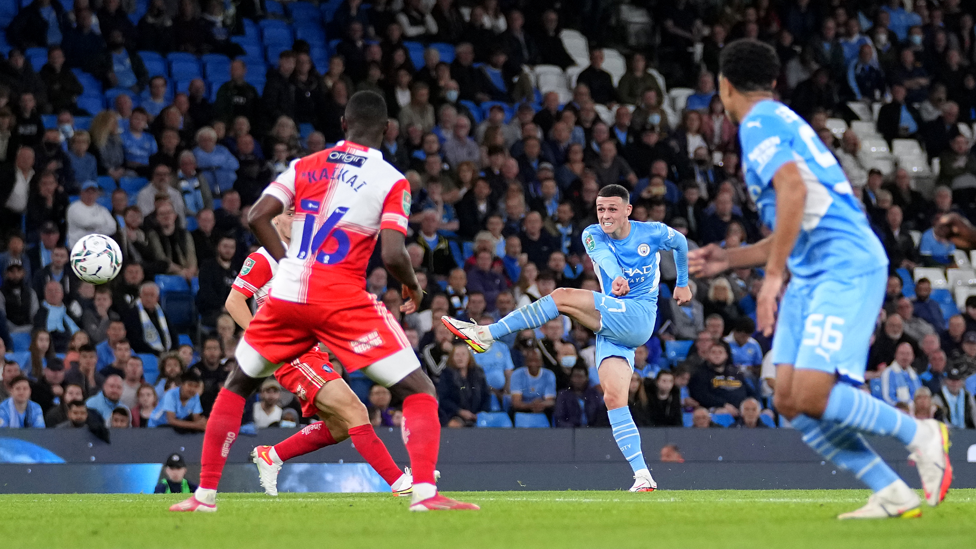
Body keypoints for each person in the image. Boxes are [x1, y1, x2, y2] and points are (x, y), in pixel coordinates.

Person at [171, 91, 476, 512]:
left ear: (342, 124)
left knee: (237, 385)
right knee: (418, 388)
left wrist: (289, 261)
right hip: (340, 295)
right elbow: (391, 254)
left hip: (288, 297)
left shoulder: (302, 166)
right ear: (387, 130)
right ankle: (423, 493)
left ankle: (203, 497)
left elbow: (256, 215)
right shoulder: (391, 180)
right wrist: (412, 286)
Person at [689, 39, 950, 519]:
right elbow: (796, 218)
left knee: (812, 391)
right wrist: (729, 259)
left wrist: (769, 280)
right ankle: (891, 491)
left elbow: (790, 191)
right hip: (814, 270)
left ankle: (921, 434)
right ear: (771, 81)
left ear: (724, 87)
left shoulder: (759, 122)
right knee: (788, 398)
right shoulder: (783, 120)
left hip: (844, 265)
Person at [445, 183, 692, 492]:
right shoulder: (592, 234)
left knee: (561, 296)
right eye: (601, 209)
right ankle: (643, 476)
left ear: (628, 210)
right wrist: (615, 276)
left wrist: (682, 283)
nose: (605, 215)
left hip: (639, 314)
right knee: (614, 399)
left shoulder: (652, 232)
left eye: (613, 209)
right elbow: (604, 257)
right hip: (614, 323)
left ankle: (486, 333)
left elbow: (681, 242)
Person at [225, 204, 414, 496]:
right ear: (274, 221)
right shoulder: (263, 258)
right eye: (288, 213)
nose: (296, 219)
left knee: (339, 426)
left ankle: (271, 455)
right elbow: (234, 302)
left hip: (312, 352)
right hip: (291, 354)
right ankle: (399, 483)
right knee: (356, 410)